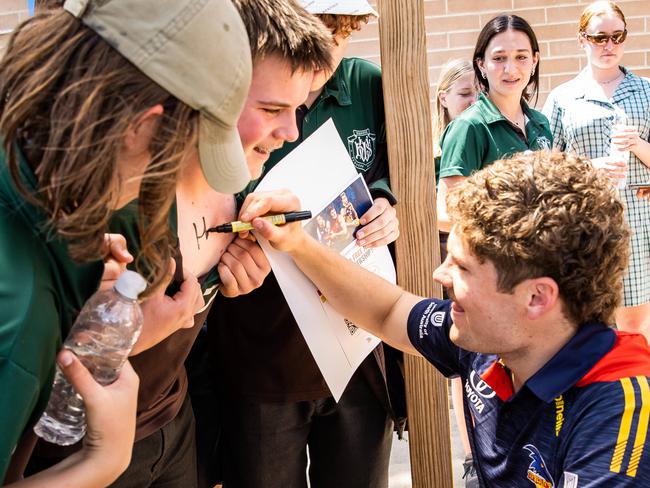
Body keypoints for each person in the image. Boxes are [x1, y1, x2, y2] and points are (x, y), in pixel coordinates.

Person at [22, 1, 332, 487]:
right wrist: (135, 335)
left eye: (299, 108)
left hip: (175, 424)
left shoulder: (241, 182)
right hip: (75, 448)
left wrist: (243, 273)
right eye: (272, 108)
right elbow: (34, 369)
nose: (290, 131)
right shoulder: (109, 195)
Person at [243, 150, 650, 487]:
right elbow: (389, 311)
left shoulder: (617, 420)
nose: (441, 276)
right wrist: (296, 244)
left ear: (536, 297)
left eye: (463, 268)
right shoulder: (497, 340)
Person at [0, 0, 253, 485]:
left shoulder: (32, 154)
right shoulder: (18, 315)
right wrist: (100, 461)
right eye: (187, 155)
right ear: (142, 128)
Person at [207, 1, 403, 487]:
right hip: (264, 343)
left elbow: (405, 169)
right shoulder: (237, 86)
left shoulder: (369, 84)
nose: (326, 52)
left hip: (354, 336)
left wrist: (387, 203)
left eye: (342, 33)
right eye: (320, 30)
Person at [542, 0, 650, 338]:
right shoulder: (564, 97)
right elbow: (547, 165)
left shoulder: (645, 91)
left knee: (636, 326)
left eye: (618, 37)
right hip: (587, 223)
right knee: (591, 322)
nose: (609, 45)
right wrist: (590, 168)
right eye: (600, 37)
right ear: (582, 39)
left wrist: (638, 145)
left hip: (638, 219)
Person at [437, 14, 552, 234]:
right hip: (496, 264)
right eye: (499, 58)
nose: (510, 69)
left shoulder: (540, 123)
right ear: (481, 64)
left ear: (534, 60)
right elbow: (444, 213)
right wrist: (510, 225)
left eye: (521, 57)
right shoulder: (469, 127)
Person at [432, 58, 479, 487]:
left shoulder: (481, 134)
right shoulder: (434, 153)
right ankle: (470, 455)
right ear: (443, 98)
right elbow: (437, 212)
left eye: (477, 95)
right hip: (449, 259)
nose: (473, 103)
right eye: (465, 95)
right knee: (461, 363)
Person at [433, 58, 479, 183]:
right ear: (443, 99)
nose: (475, 101)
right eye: (465, 94)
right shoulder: (432, 156)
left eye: (481, 94)